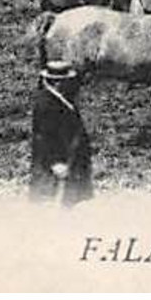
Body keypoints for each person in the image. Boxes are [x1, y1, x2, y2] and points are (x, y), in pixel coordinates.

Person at [29, 60, 93, 206]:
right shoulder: (45, 104)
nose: (71, 85)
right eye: (67, 81)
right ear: (57, 83)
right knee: (51, 205)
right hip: (54, 169)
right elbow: (43, 137)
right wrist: (55, 162)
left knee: (68, 204)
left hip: (70, 164)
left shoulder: (63, 99)